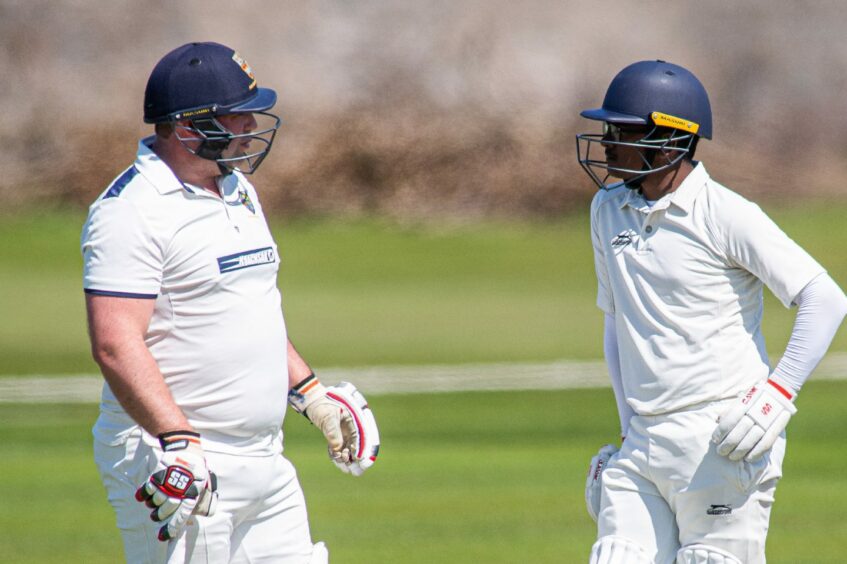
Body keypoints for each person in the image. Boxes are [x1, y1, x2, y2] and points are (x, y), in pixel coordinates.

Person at [82, 41, 379, 564]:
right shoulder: (130, 211)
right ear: (185, 125)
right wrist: (177, 440)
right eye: (235, 115)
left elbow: (249, 308)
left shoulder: (237, 188)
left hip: (264, 456)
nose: (249, 125)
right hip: (178, 457)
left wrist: (310, 394)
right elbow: (114, 342)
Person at [575, 60, 847, 563]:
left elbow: (825, 299)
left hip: (722, 439)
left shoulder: (725, 214)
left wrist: (777, 395)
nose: (607, 140)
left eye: (623, 130)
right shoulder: (607, 209)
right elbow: (617, 320)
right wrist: (626, 426)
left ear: (668, 140)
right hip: (644, 439)